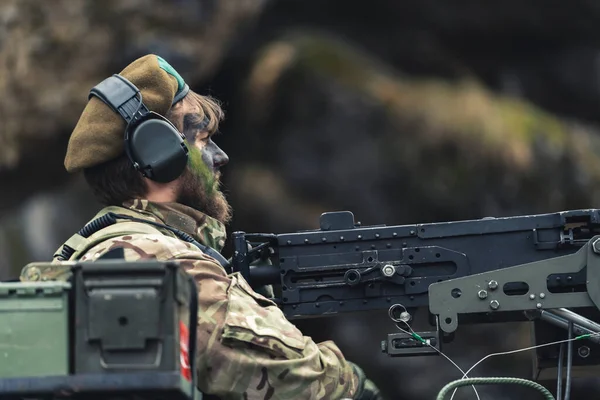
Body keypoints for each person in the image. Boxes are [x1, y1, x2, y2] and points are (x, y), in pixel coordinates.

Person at [19, 54, 382, 400]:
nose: (220, 157)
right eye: (203, 141)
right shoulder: (158, 259)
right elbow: (301, 381)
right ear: (159, 154)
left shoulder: (98, 251)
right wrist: (356, 383)